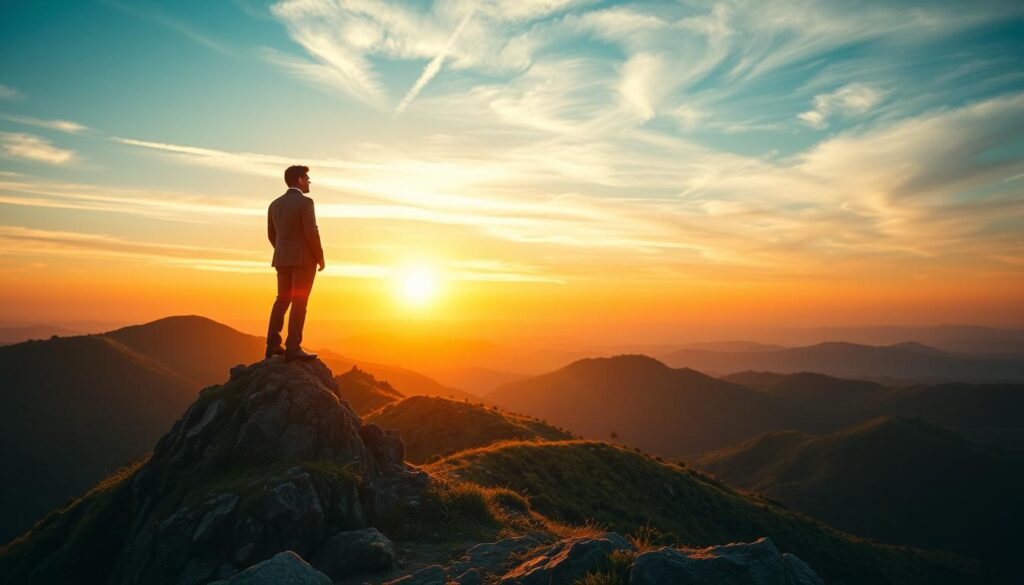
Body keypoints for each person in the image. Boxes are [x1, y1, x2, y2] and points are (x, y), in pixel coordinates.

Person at [265, 165, 325, 361]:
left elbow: (271, 235)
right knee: (300, 301)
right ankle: (293, 347)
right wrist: (320, 257)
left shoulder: (274, 204)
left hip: (281, 258)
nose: (309, 182)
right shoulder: (306, 202)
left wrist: (283, 252)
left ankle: (272, 344)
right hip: (303, 260)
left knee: (282, 300)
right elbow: (311, 231)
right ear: (299, 180)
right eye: (307, 179)